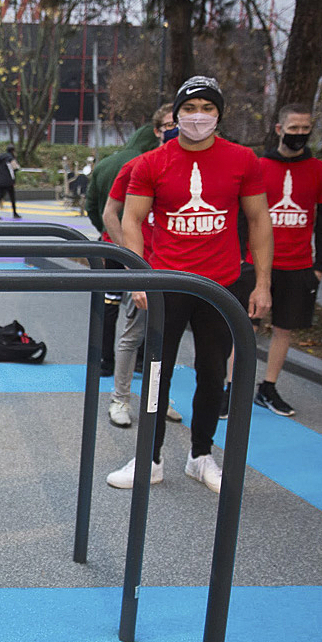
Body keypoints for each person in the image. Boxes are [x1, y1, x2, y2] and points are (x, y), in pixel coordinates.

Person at [106, 75, 273, 495]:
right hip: (167, 281)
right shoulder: (152, 162)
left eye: (207, 109)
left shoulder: (242, 160)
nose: (198, 117)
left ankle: (201, 456)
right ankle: (151, 458)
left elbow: (258, 220)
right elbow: (131, 220)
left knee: (212, 372)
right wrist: (139, 277)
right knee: (157, 372)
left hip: (220, 284)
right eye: (190, 108)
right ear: (176, 114)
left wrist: (263, 283)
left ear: (218, 114)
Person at [222, 103, 322, 418]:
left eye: (305, 128)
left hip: (299, 266)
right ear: (278, 129)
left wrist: (320, 268)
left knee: (284, 329)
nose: (299, 134)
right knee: (246, 326)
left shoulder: (321, 172)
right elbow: (242, 218)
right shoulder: (258, 167)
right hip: (255, 263)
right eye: (294, 127)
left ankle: (268, 387)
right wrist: (240, 261)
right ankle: (231, 386)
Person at [101, 104, 183, 428]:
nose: (176, 129)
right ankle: (120, 398)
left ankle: (159, 399)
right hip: (144, 262)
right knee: (132, 335)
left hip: (175, 265)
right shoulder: (138, 166)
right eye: (169, 124)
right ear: (157, 130)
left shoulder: (189, 171)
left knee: (166, 338)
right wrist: (131, 259)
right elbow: (111, 213)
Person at [88, 121, 167, 377]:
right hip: (144, 248)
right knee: (143, 316)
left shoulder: (112, 163)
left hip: (115, 244)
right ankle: (141, 362)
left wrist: (113, 240)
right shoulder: (143, 164)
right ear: (156, 130)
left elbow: (96, 207)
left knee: (111, 304)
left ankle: (105, 360)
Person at [0, 144, 21, 219]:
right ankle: (14, 213)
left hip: (0, 181)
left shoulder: (0, 158)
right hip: (9, 182)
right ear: (13, 151)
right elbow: (16, 168)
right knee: (12, 197)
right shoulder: (11, 158)